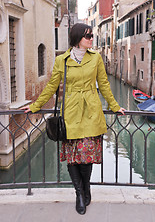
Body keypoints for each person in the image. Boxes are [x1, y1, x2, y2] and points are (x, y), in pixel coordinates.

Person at [21, 23, 125, 215]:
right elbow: (52, 86)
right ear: (78, 38)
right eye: (88, 36)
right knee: (72, 158)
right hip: (70, 112)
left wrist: (114, 106)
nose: (92, 39)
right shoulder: (62, 60)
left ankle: (86, 188)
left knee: (86, 158)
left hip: (91, 111)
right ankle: (79, 194)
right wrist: (36, 105)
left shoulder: (96, 58)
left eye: (92, 35)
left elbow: (103, 84)